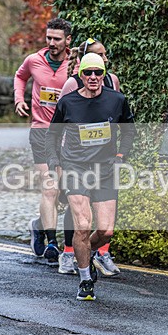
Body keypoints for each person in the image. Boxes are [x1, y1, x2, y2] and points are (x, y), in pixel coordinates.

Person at [46, 52, 135, 301]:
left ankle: (85, 253)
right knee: (83, 226)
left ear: (103, 74)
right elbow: (52, 135)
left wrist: (121, 156)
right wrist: (55, 163)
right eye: (88, 73)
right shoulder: (68, 102)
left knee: (105, 231)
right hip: (75, 167)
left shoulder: (117, 100)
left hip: (105, 169)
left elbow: (129, 131)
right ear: (80, 75)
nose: (93, 77)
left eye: (98, 72)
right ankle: (85, 279)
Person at [57, 38, 122, 276]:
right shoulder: (71, 86)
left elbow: (117, 115)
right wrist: (62, 163)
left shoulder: (112, 81)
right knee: (77, 214)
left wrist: (118, 152)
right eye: (99, 55)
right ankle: (69, 252)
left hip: (103, 160)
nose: (105, 60)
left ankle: (99, 252)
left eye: (104, 57)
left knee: (105, 221)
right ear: (82, 67)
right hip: (75, 158)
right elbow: (61, 126)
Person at [14, 17, 72, 263]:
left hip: (68, 135)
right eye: (48, 37)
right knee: (50, 188)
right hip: (41, 131)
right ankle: (51, 243)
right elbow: (20, 77)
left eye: (57, 39)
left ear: (68, 40)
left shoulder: (75, 65)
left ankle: (38, 225)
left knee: (65, 194)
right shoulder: (34, 60)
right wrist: (19, 99)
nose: (51, 43)